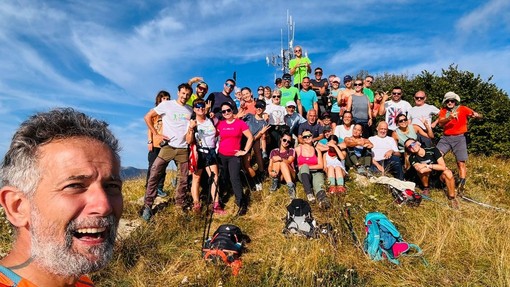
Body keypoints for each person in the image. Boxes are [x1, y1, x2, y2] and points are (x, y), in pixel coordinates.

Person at [0, 108, 123, 287]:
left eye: (112, 186)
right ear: (17, 207)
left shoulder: (82, 281)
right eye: (74, 186)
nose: (104, 205)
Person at [142, 83, 193, 221]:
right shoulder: (167, 105)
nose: (184, 96)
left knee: (183, 179)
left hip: (183, 149)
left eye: (187, 94)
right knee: (154, 173)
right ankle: (147, 206)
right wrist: (156, 135)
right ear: (178, 92)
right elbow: (147, 117)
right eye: (183, 93)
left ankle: (179, 206)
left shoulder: (190, 110)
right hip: (167, 147)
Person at [437, 91, 482, 193]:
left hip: (460, 137)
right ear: (445, 102)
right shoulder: (443, 111)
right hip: (446, 138)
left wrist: (477, 115)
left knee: (460, 162)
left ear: (455, 101)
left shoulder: (463, 109)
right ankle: (443, 176)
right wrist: (449, 118)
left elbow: (479, 115)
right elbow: (440, 123)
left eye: (452, 100)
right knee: (437, 155)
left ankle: (461, 186)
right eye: (448, 101)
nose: (450, 102)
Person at [186, 99, 225, 214]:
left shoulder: (212, 120)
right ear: (194, 109)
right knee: (196, 179)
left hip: (211, 152)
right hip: (199, 153)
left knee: (215, 178)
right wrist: (191, 128)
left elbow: (220, 129)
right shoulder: (192, 122)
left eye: (202, 105)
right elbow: (189, 141)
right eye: (197, 106)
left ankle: (216, 205)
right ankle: (196, 204)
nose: (200, 108)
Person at [217, 102, 254, 216]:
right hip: (221, 155)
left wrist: (245, 151)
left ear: (232, 110)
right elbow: (212, 136)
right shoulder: (220, 124)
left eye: (228, 110)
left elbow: (250, 137)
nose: (226, 113)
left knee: (235, 178)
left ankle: (241, 203)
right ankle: (221, 199)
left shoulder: (240, 123)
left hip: (234, 156)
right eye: (224, 111)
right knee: (223, 177)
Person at [404, 138, 459, 208]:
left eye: (413, 144)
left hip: (439, 178)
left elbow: (443, 167)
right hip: (426, 180)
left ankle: (452, 197)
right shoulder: (412, 157)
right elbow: (421, 170)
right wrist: (435, 166)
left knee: (448, 172)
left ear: (417, 143)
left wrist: (427, 166)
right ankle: (426, 188)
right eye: (409, 147)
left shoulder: (433, 150)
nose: (412, 147)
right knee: (422, 172)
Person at [239, 100, 270, 191]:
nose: (259, 109)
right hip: (242, 140)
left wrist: (260, 134)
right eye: (257, 107)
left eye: (261, 107)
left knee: (247, 163)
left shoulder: (264, 123)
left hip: (252, 141)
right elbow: (238, 121)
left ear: (264, 108)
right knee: (245, 164)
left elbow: (256, 138)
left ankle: (257, 180)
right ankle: (251, 178)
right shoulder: (249, 116)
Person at [295, 129, 330, 209]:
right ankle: (309, 193)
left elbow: (320, 165)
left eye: (309, 136)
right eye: (305, 137)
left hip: (315, 173)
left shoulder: (317, 150)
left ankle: (322, 200)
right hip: (303, 174)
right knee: (304, 168)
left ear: (312, 136)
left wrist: (307, 166)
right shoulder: (298, 149)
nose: (307, 138)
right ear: (302, 139)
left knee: (319, 182)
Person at [146, 90, 170, 198]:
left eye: (168, 98)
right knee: (152, 166)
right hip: (155, 143)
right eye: (164, 98)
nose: (166, 100)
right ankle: (149, 187)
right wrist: (150, 141)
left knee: (163, 167)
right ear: (159, 99)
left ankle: (160, 187)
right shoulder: (154, 112)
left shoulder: (169, 112)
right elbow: (149, 128)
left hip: (165, 144)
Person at [268, 132, 296, 198]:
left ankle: (291, 186)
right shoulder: (273, 151)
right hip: (279, 175)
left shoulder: (291, 150)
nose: (286, 142)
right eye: (284, 140)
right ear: (281, 139)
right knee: (276, 161)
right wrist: (270, 172)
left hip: (290, 174)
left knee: (282, 162)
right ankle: (275, 181)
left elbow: (289, 161)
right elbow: (270, 165)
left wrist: (280, 158)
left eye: (288, 141)